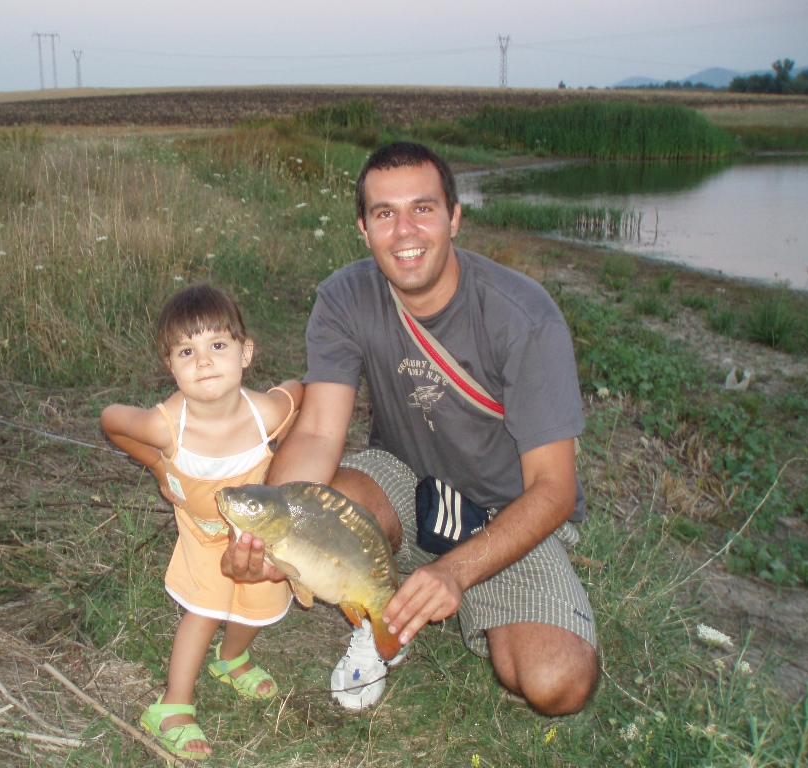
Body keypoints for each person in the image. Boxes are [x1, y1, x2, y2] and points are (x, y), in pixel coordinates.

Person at [222, 142, 598, 716]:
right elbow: (319, 431)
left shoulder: (523, 317)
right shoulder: (345, 297)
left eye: (423, 208)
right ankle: (378, 622)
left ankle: (443, 586)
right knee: (325, 498)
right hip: (407, 483)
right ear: (363, 229)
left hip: (506, 511)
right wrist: (271, 534)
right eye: (385, 213)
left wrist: (455, 571)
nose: (405, 232)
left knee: (554, 683)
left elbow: (554, 489)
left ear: (454, 217)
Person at [101, 283, 303, 759]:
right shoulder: (163, 426)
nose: (205, 361)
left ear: (245, 352)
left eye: (218, 345)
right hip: (203, 530)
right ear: (169, 365)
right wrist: (158, 466)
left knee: (262, 595)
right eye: (186, 351)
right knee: (207, 605)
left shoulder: (266, 413)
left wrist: (284, 459)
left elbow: (298, 394)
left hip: (253, 529)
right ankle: (172, 706)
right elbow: (111, 419)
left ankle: (231, 658)